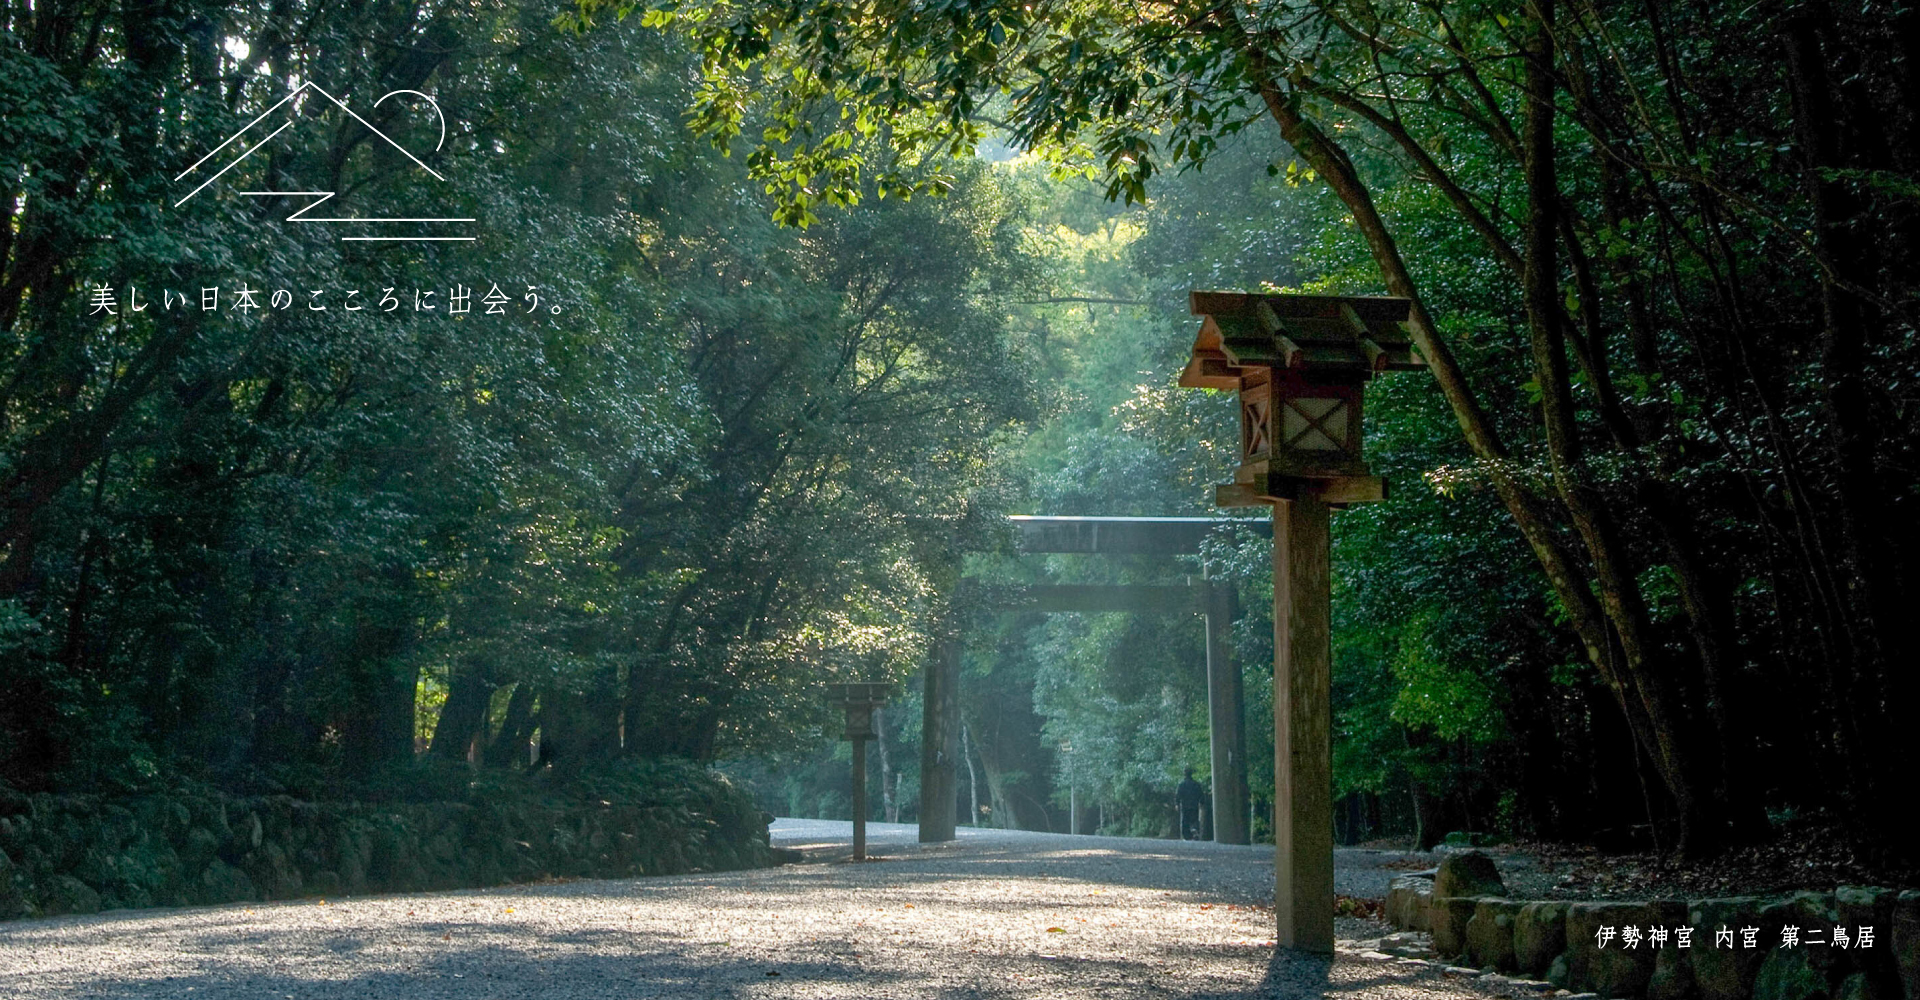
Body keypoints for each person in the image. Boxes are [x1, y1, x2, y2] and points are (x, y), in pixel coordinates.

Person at [1175, 767, 1206, 840]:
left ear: (1184, 774)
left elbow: (1178, 795)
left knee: (1185, 822)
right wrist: (1201, 802)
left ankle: (1187, 837)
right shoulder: (1196, 784)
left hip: (1185, 806)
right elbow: (1201, 795)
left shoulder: (1181, 785)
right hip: (1194, 806)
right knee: (1194, 820)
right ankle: (1194, 831)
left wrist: (1177, 804)